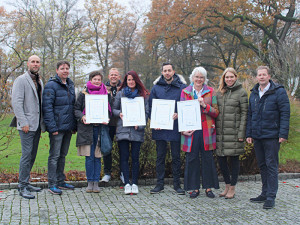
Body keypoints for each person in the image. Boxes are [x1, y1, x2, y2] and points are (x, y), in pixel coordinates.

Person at [246, 66, 290, 209]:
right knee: (263, 165)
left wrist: (283, 133)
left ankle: (271, 196)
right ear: (257, 77)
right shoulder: (253, 93)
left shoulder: (279, 92)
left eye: (264, 74)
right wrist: (249, 133)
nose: (262, 77)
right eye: (259, 75)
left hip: (272, 135)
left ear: (269, 76)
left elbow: (285, 113)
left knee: (271, 166)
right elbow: (250, 115)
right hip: (258, 136)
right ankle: (264, 193)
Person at [181, 66, 219, 198]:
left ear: (204, 79)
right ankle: (194, 188)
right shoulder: (185, 92)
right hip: (191, 131)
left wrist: (205, 106)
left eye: (201, 77)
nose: (199, 79)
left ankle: (208, 188)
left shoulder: (210, 92)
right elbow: (181, 112)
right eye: (196, 77)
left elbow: (215, 112)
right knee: (192, 158)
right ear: (192, 78)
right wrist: (183, 130)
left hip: (206, 130)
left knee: (207, 158)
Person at [149, 63, 187, 195]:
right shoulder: (156, 88)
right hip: (160, 128)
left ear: (173, 71)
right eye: (165, 71)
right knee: (160, 157)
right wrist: (154, 121)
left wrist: (179, 113)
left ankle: (177, 184)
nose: (167, 73)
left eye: (169, 70)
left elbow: (185, 106)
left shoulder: (182, 88)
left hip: (175, 126)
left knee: (176, 157)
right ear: (162, 72)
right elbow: (150, 107)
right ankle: (159, 184)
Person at [11, 55, 44, 199]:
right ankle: (22, 186)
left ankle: (26, 181)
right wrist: (23, 121)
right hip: (26, 125)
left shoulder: (39, 80)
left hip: (36, 125)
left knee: (32, 155)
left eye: (37, 62)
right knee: (26, 155)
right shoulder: (21, 80)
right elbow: (17, 102)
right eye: (33, 62)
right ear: (28, 64)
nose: (35, 64)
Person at [74, 71, 112, 193]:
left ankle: (96, 182)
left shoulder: (106, 94)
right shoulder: (83, 94)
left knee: (97, 157)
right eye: (95, 79)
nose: (97, 81)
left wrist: (107, 118)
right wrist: (82, 117)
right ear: (90, 80)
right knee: (89, 157)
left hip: (100, 129)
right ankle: (90, 182)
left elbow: (109, 111)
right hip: (87, 130)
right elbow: (76, 109)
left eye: (99, 79)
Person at [42, 60, 77, 195]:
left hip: (68, 127)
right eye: (62, 68)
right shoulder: (51, 85)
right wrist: (52, 127)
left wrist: (73, 126)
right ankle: (52, 184)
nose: (65, 71)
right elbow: (47, 107)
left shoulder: (70, 84)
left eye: (67, 68)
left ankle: (61, 181)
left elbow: (72, 106)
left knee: (63, 155)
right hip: (56, 127)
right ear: (57, 70)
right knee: (54, 156)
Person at [112, 71, 149, 194]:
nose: (131, 82)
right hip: (123, 130)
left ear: (136, 80)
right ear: (125, 81)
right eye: (128, 80)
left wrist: (141, 124)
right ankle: (127, 182)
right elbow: (114, 109)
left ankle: (135, 183)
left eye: (133, 79)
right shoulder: (120, 94)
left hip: (136, 131)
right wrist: (119, 114)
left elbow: (146, 113)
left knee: (135, 158)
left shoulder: (142, 95)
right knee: (124, 157)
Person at [216, 68, 248, 199]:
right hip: (221, 134)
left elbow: (245, 114)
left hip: (234, 133)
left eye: (231, 77)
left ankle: (233, 187)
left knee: (234, 161)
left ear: (235, 77)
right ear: (223, 79)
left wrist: (241, 134)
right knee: (221, 160)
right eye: (226, 77)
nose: (229, 79)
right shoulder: (219, 93)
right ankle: (227, 185)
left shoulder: (241, 93)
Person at [101, 68, 123, 183]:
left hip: (120, 123)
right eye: (112, 75)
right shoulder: (103, 89)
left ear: (119, 76)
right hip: (107, 123)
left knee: (122, 149)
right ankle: (107, 173)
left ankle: (122, 172)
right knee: (106, 148)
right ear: (108, 76)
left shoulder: (124, 88)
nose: (114, 77)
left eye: (116, 75)